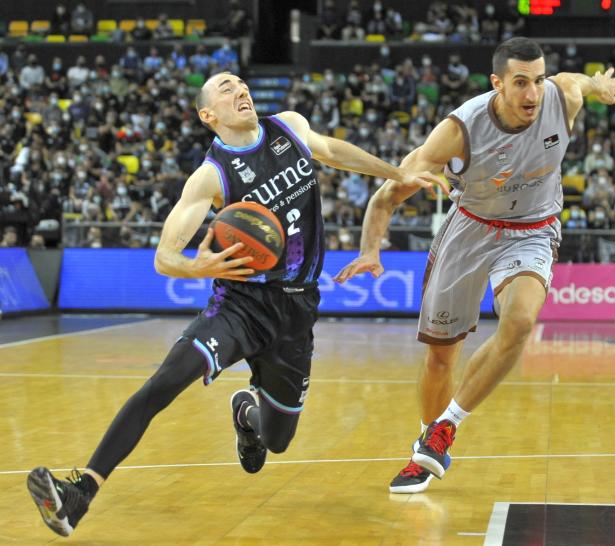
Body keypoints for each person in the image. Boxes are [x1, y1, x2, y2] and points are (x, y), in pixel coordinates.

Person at [26, 71, 442, 537]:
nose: (240, 90)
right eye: (226, 88)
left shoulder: (289, 126)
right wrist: (196, 269)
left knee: (278, 441)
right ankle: (80, 492)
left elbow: (332, 151)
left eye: (241, 84)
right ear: (208, 115)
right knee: (165, 382)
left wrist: (397, 173)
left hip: (297, 308)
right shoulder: (211, 176)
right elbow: (165, 257)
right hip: (240, 305)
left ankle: (246, 411)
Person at [335, 37, 615, 494]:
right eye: (520, 82)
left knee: (521, 320)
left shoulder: (560, 96)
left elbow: (580, 82)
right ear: (498, 83)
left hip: (533, 226)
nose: (532, 93)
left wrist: (600, 86)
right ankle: (425, 448)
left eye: (539, 80)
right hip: (470, 228)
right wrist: (371, 248)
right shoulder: (459, 130)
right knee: (440, 357)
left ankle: (445, 427)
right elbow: (388, 192)